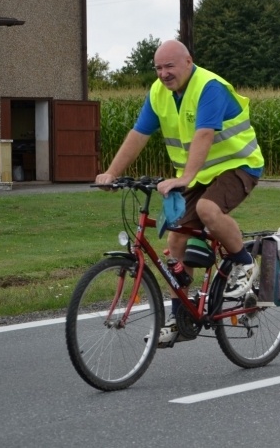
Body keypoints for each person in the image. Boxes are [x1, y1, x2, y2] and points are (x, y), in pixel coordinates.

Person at [95, 39, 265, 346]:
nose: (163, 74)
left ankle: (244, 263)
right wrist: (113, 173)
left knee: (208, 210)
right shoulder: (159, 93)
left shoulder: (208, 86)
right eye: (158, 68)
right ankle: (180, 317)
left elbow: (204, 133)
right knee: (175, 240)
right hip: (198, 175)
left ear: (188, 62)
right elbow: (138, 134)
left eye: (169, 66)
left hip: (238, 165)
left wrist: (185, 177)